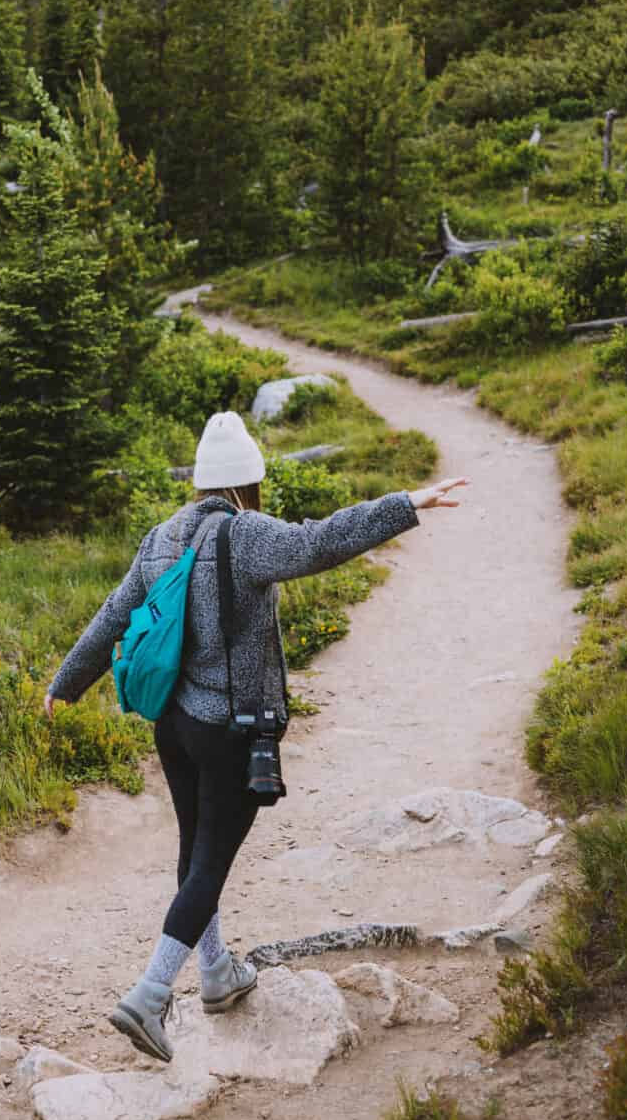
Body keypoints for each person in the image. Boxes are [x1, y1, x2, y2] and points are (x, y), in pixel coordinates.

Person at [43, 408, 467, 1062]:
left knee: (195, 852)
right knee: (210, 864)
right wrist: (405, 503)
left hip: (172, 726)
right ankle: (148, 996)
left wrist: (65, 683)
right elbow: (320, 542)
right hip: (230, 730)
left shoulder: (162, 536)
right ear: (251, 481)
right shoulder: (246, 536)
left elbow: (114, 612)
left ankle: (217, 976)